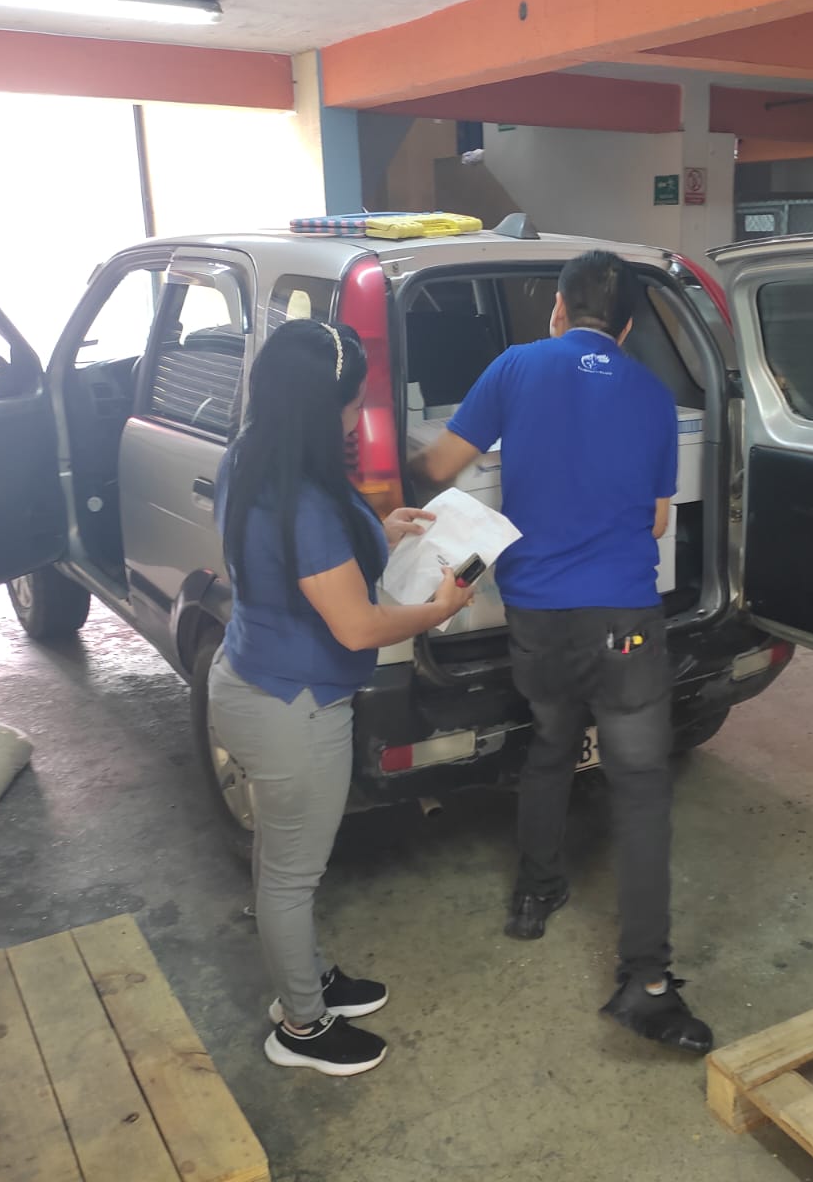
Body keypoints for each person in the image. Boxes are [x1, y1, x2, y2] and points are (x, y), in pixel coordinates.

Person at [412, 250, 712, 1054]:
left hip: (538, 616)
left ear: (557, 307)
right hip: (626, 623)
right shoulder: (651, 396)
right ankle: (646, 980)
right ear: (627, 326)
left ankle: (535, 894)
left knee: (549, 745)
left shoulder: (516, 367)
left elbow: (436, 469)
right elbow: (658, 519)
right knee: (640, 787)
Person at [211, 319, 476, 1076]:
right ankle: (301, 1026)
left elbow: (300, 564)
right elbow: (357, 626)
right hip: (293, 709)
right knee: (291, 875)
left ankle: (309, 976)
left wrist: (380, 533)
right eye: (353, 403)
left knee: (282, 859)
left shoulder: (253, 455)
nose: (358, 418)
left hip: (255, 678)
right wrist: (439, 609)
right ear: (319, 407)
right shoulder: (304, 500)